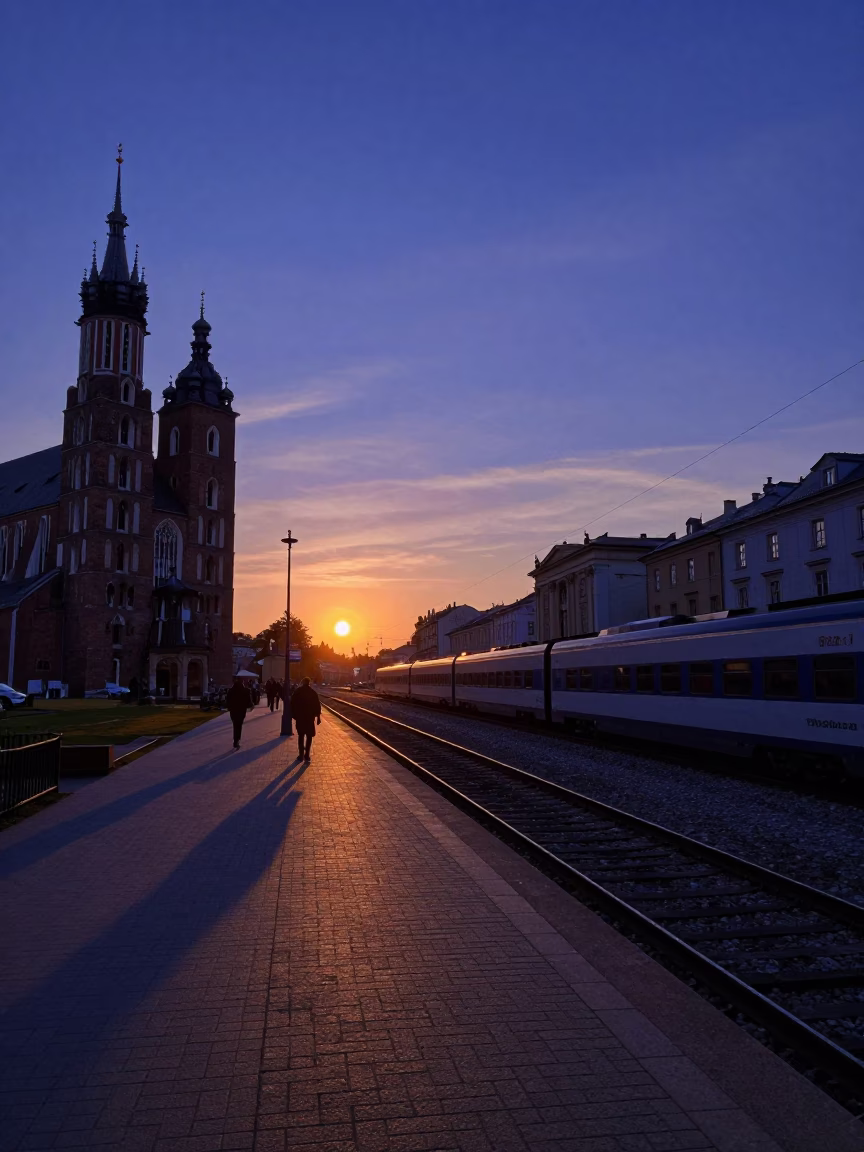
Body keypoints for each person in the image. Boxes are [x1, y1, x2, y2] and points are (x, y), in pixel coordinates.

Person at [291, 677, 321, 760]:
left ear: (303, 682)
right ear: (309, 683)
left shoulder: (298, 692)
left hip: (300, 718)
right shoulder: (313, 693)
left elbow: (292, 703)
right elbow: (317, 705)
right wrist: (318, 717)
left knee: (301, 736)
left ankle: (300, 755)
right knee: (309, 736)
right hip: (309, 718)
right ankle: (307, 755)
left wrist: (294, 715)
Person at [226, 677, 253, 749]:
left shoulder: (231, 690)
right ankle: (237, 740)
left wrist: (229, 707)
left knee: (235, 724)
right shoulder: (246, 690)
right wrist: (250, 706)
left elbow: (227, 701)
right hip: (241, 711)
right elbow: (249, 701)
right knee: (239, 725)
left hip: (233, 711)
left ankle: (236, 740)